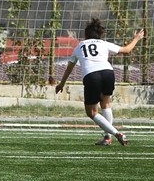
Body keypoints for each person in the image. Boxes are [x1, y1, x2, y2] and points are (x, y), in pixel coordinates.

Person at [55, 19, 144, 147]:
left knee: (91, 112)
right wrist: (136, 38)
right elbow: (126, 50)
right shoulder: (103, 43)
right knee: (106, 103)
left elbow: (70, 67)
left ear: (86, 35)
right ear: (100, 34)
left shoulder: (79, 45)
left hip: (92, 75)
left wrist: (61, 84)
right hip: (108, 72)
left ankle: (116, 133)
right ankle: (107, 138)